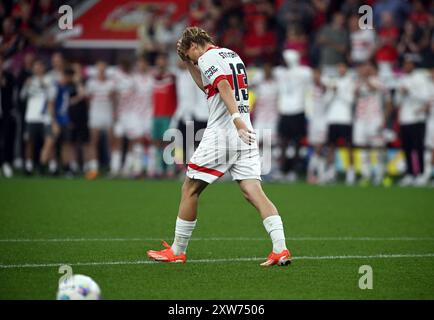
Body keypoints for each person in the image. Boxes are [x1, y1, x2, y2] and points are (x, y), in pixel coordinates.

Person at [147, 27, 291, 267]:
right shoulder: (232, 55)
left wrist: (234, 119)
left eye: (190, 55)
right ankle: (281, 249)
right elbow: (209, 87)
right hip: (246, 131)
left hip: (224, 131)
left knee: (190, 189)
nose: (193, 60)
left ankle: (177, 251)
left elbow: (223, 86)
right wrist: (188, 64)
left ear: (195, 46)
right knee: (253, 190)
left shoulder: (207, 57)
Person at [274, 50, 312, 182]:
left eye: (285, 59)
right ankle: (283, 169)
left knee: (296, 143)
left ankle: (293, 171)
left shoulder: (304, 72)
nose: (282, 61)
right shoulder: (279, 72)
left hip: (298, 110)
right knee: (283, 142)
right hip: (284, 110)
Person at [353, 61, 391, 186]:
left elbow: (387, 101)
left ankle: (381, 174)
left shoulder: (379, 81)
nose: (365, 70)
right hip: (361, 119)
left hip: (375, 118)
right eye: (364, 68)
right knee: (363, 146)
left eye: (367, 68)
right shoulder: (357, 82)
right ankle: (366, 175)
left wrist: (384, 119)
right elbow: (354, 95)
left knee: (378, 147)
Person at [395, 58, 429, 186]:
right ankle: (409, 173)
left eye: (408, 64)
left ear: (413, 65)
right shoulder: (402, 79)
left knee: (418, 146)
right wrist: (401, 94)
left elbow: (425, 96)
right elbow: (397, 101)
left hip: (418, 117)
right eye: (404, 64)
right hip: (405, 118)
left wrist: (410, 91)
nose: (406, 66)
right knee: (407, 147)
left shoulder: (420, 78)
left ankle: (420, 173)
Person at [20, 59, 56, 175]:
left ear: (43, 68)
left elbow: (52, 96)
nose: (37, 68)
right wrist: (26, 86)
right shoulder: (29, 81)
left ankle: (50, 166)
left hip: (45, 117)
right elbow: (22, 97)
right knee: (29, 142)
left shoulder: (49, 80)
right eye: (35, 66)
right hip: (31, 117)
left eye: (40, 66)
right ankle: (29, 166)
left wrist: (43, 84)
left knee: (49, 142)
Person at [323, 62, 356, 185]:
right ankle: (331, 172)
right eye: (339, 68)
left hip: (345, 118)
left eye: (343, 67)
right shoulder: (333, 81)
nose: (341, 70)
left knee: (348, 146)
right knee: (331, 146)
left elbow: (351, 100)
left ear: (346, 69)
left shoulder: (350, 82)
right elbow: (325, 101)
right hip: (332, 118)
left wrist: (339, 91)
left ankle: (350, 172)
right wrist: (331, 91)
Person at [85, 60, 116, 179]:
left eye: (103, 69)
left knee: (110, 143)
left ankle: (111, 167)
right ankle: (93, 168)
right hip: (95, 115)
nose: (101, 71)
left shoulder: (111, 84)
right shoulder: (91, 83)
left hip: (107, 115)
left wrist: (114, 115)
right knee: (93, 141)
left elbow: (114, 101)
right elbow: (88, 100)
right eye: (99, 69)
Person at [306, 68, 333, 184]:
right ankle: (317, 174)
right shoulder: (310, 88)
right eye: (314, 75)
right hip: (313, 121)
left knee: (319, 147)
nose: (315, 77)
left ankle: (313, 173)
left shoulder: (325, 87)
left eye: (317, 75)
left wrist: (321, 82)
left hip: (323, 121)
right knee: (316, 148)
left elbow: (326, 88)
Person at [0, 54, 16, 178]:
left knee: (6, 140)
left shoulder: (8, 77)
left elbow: (12, 93)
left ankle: (5, 164)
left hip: (5, 114)